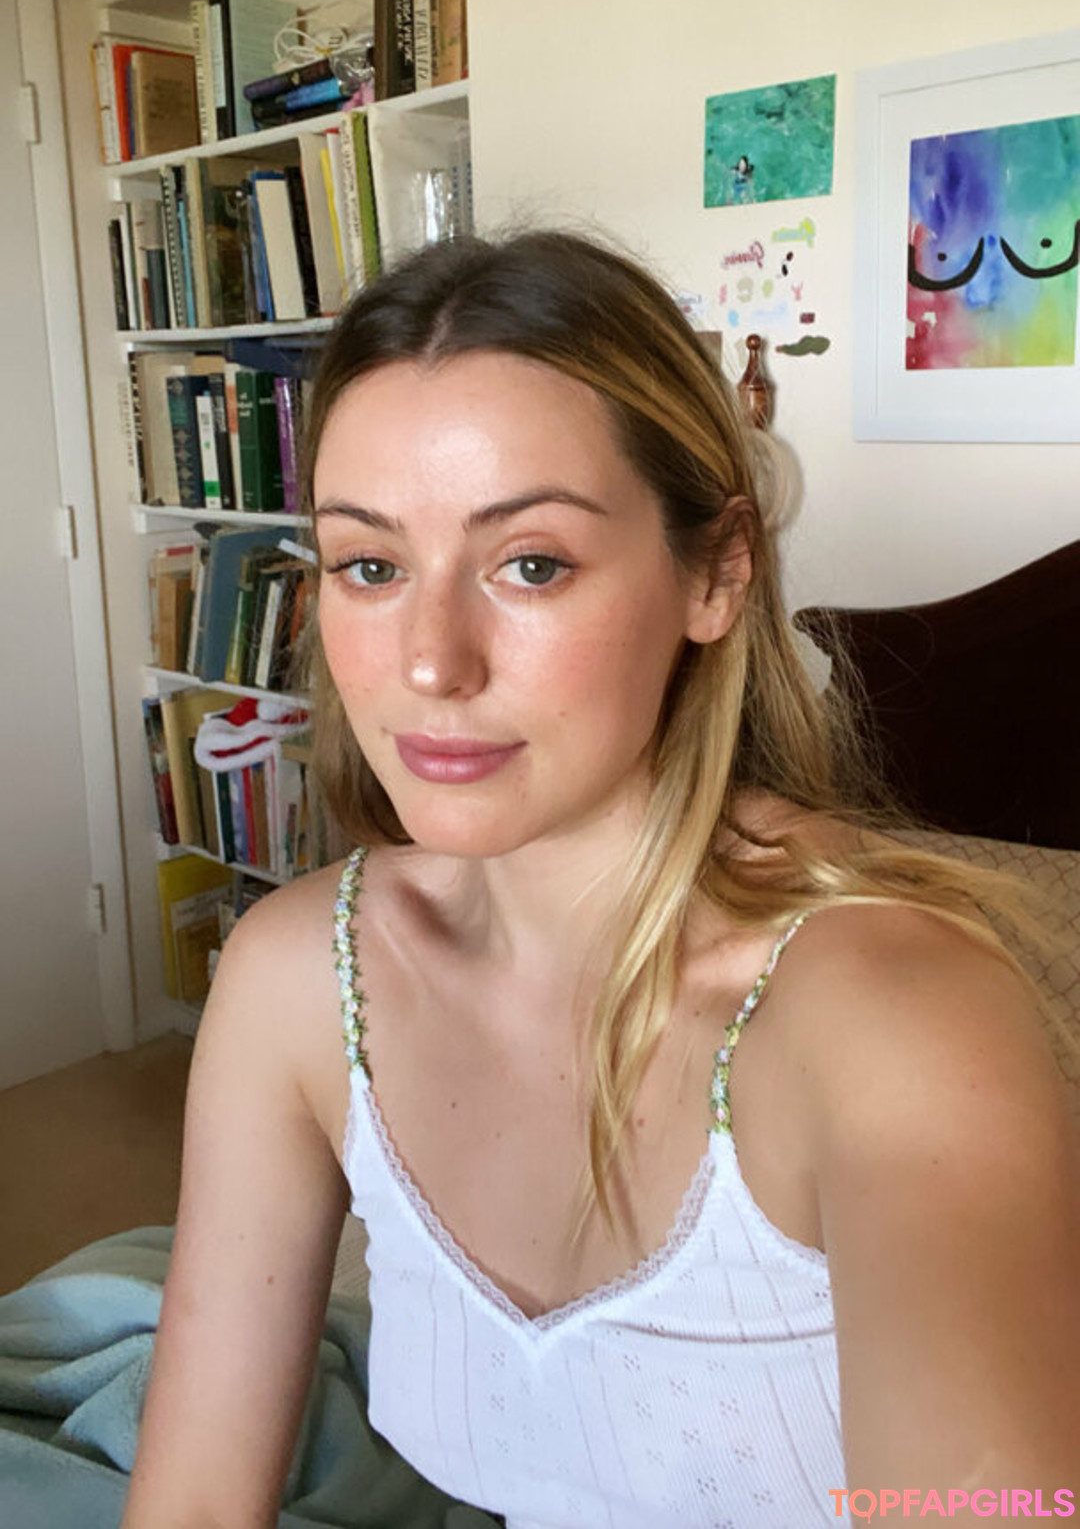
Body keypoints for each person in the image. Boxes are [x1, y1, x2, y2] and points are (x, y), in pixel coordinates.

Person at [122, 230, 1079, 1529]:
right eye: (371, 565)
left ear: (716, 573)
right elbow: (191, 1501)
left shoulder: (897, 1017)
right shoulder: (295, 974)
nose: (431, 663)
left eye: (531, 564)